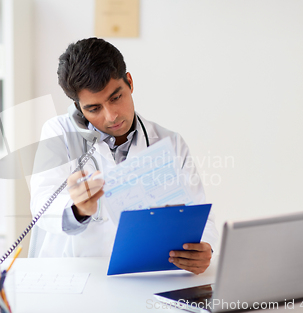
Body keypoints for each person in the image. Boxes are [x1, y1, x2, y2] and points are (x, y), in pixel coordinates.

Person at [29, 37, 218, 274]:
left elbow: (200, 214)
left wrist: (204, 248)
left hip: (145, 276)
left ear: (129, 82)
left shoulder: (170, 142)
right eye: (94, 108)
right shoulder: (58, 133)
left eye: (116, 98)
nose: (111, 116)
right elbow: (41, 205)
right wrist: (77, 209)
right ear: (79, 107)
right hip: (75, 275)